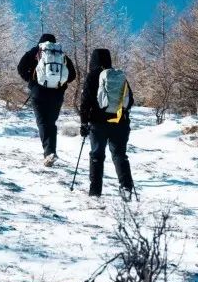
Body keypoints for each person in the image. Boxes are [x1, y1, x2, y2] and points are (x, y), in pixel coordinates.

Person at [79, 48, 134, 198]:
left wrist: (84, 123)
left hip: (98, 124)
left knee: (97, 155)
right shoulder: (119, 76)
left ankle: (95, 192)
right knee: (119, 155)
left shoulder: (92, 76)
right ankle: (126, 188)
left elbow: (85, 102)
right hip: (120, 122)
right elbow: (130, 100)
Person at [17, 33, 76, 166]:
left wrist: (32, 82)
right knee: (51, 123)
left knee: (42, 122)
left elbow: (21, 68)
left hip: (38, 93)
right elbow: (72, 75)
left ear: (41, 42)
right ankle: (51, 152)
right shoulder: (61, 54)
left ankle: (49, 153)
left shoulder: (35, 51)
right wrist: (60, 84)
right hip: (57, 94)